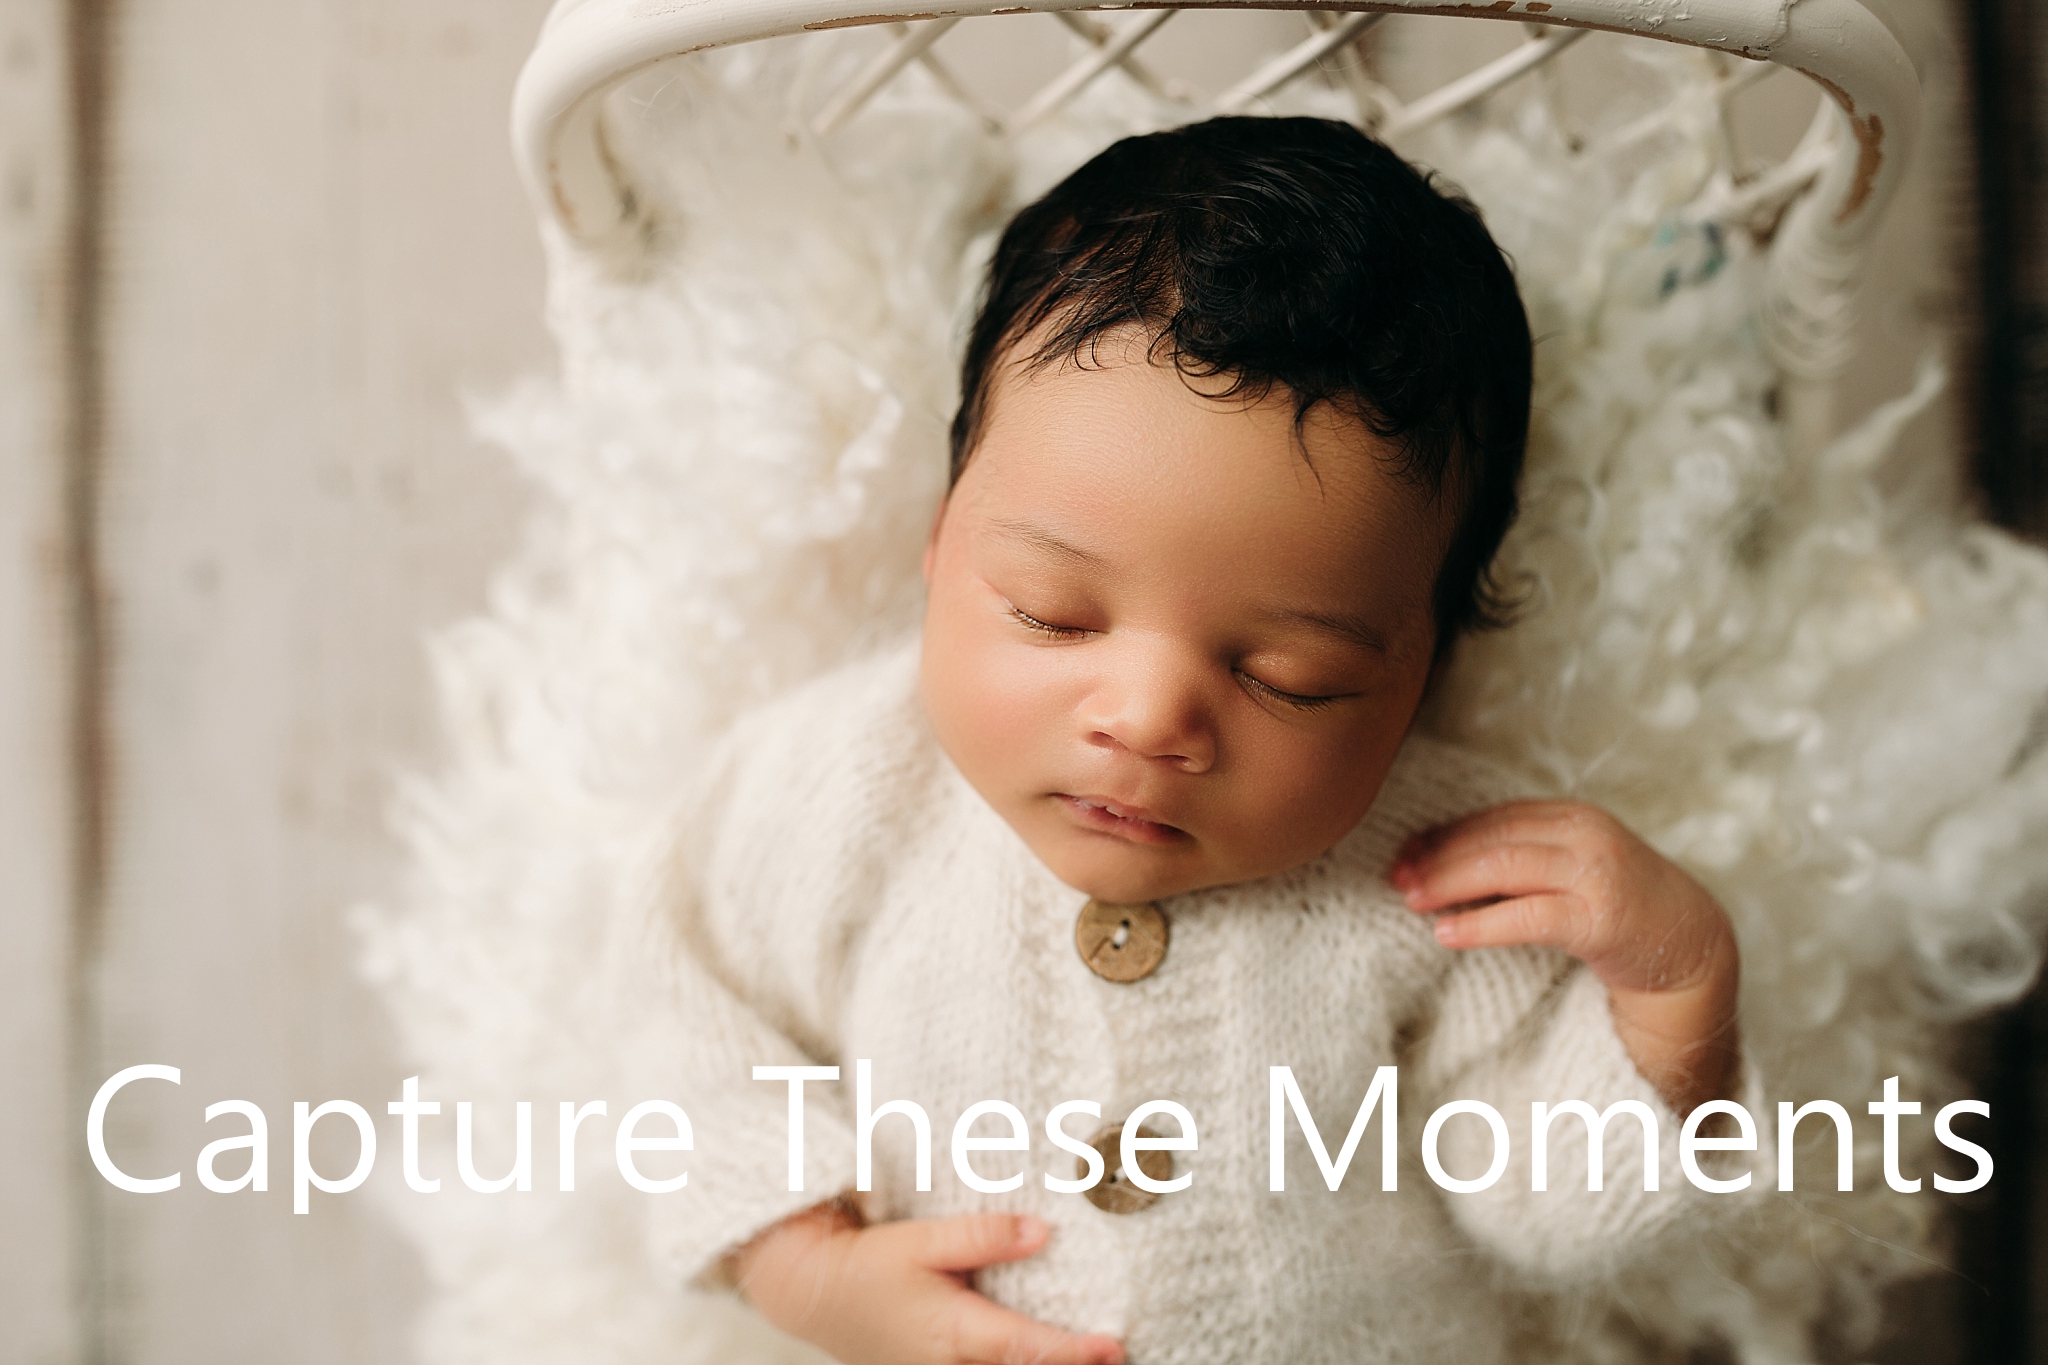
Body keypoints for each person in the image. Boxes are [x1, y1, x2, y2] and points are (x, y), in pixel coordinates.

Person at [651, 115, 1753, 1365]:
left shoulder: (1440, 873)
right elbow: (687, 1017)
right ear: (939, 539)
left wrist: (1674, 1001)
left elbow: (1549, 1201)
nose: (1148, 719)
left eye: (1290, 677)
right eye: (1050, 614)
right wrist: (802, 1267)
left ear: (1418, 677)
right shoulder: (838, 790)